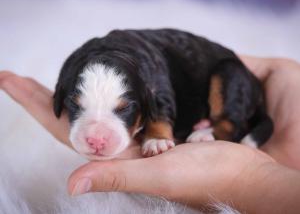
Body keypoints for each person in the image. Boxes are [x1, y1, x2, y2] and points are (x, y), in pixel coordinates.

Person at [1, 55, 300, 213]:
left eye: (123, 111)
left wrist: (251, 179)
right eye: (78, 109)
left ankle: (224, 127)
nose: (96, 135)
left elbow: (161, 98)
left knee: (225, 84)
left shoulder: (155, 87)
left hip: (226, 93)